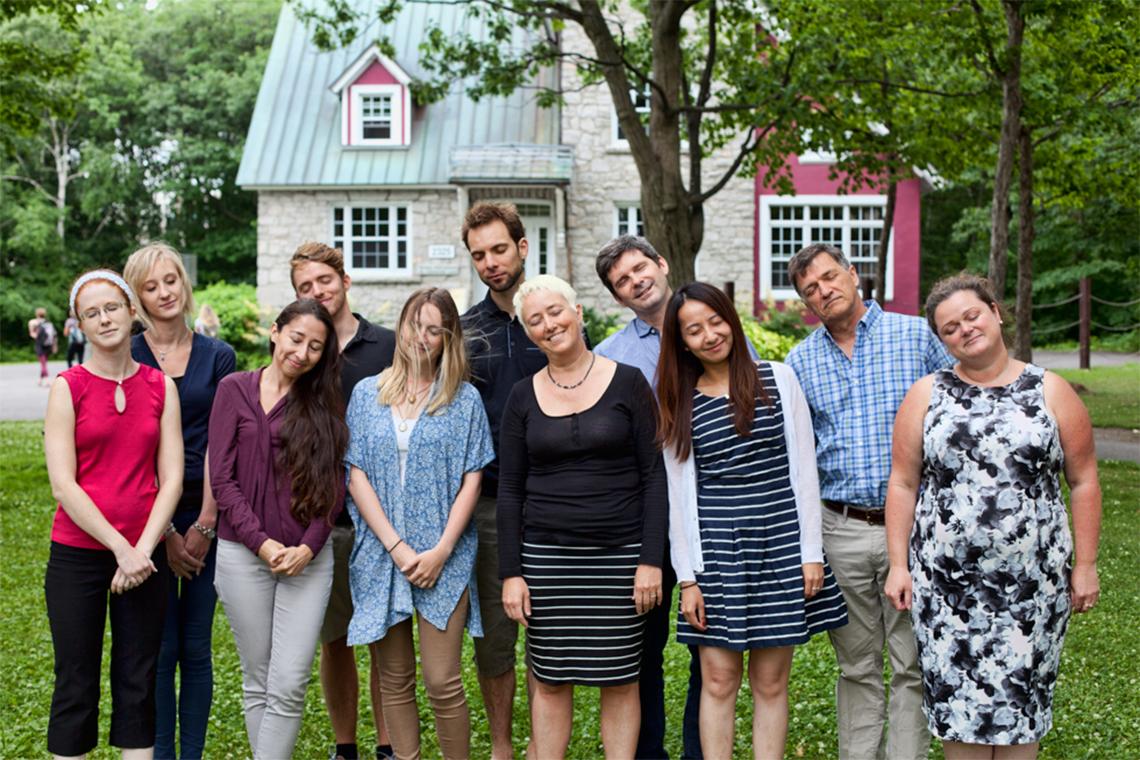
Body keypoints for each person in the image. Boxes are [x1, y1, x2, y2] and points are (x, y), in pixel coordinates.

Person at [884, 274, 1102, 760]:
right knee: (960, 715)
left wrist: (1085, 565)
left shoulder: (1051, 390)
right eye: (949, 328)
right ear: (941, 340)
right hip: (948, 592)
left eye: (972, 315)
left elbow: (1084, 479)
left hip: (1033, 589)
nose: (964, 329)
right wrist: (898, 564)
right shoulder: (926, 394)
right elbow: (902, 483)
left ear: (997, 313)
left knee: (1021, 713)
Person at [656, 282, 847, 759]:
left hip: (780, 544)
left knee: (771, 680)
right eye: (693, 330)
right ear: (682, 342)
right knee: (718, 679)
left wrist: (809, 553)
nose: (709, 335)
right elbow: (679, 496)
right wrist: (689, 578)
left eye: (715, 321)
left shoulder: (778, 379)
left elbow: (803, 471)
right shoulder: (679, 400)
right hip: (718, 551)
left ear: (731, 319)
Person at [594, 235, 762, 759]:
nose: (636, 280)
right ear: (617, 298)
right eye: (622, 281)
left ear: (662, 264)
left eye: (640, 268)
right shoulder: (610, 358)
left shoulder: (720, 333)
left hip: (716, 517)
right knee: (639, 651)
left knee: (710, 650)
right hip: (643, 521)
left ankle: (698, 751)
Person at [785, 243, 950, 760]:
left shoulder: (917, 337)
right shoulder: (800, 361)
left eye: (830, 277)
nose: (824, 291)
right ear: (805, 302)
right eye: (811, 288)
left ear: (854, 275)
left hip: (915, 525)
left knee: (911, 662)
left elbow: (960, 405)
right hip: (842, 529)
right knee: (855, 664)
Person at [498, 274, 667, 759]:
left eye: (555, 311)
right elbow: (509, 490)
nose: (549, 324)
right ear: (529, 333)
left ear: (578, 313)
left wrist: (650, 560)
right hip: (548, 562)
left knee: (620, 678)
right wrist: (513, 574)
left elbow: (654, 477)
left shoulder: (629, 382)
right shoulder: (522, 397)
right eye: (536, 320)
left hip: (620, 560)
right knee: (550, 680)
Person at [345, 287, 494, 759]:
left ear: (447, 338)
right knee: (394, 679)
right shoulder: (367, 392)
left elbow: (474, 478)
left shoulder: (464, 399)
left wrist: (442, 550)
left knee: (443, 680)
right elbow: (356, 474)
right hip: (383, 554)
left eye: (434, 330)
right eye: (415, 324)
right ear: (401, 324)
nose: (420, 337)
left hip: (442, 556)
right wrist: (396, 547)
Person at [43, 269, 183, 759]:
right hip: (79, 556)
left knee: (137, 682)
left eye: (111, 308)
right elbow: (64, 484)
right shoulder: (69, 386)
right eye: (91, 313)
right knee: (75, 682)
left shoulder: (161, 386)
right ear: (80, 325)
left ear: (130, 311)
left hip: (146, 560)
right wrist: (121, 549)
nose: (104, 319)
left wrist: (142, 551)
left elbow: (172, 478)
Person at [208, 299, 347, 759]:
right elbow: (222, 480)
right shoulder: (233, 389)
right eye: (296, 338)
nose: (302, 352)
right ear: (274, 332)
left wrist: (307, 548)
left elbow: (334, 486)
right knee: (258, 678)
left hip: (307, 560)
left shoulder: (324, 403)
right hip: (242, 556)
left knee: (288, 682)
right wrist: (262, 543)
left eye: (315, 346)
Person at [124, 243, 236, 760]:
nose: (164, 292)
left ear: (184, 284)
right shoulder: (126, 355)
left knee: (194, 647)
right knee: (159, 647)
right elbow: (129, 445)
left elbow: (223, 439)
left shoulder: (219, 356)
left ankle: (189, 755)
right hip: (144, 520)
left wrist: (206, 523)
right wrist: (164, 532)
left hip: (207, 515)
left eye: (171, 280)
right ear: (137, 298)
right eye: (151, 286)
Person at [290, 241, 397, 760]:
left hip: (381, 518)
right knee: (334, 639)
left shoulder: (388, 346)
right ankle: (345, 745)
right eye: (305, 288)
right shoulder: (301, 350)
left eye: (323, 282)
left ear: (344, 281)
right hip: (323, 516)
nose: (317, 293)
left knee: (381, 636)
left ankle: (386, 743)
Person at [459, 201, 548, 760]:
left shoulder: (554, 318)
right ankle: (501, 747)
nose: (491, 263)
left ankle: (545, 741)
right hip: (490, 506)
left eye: (498, 249)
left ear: (521, 246)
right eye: (479, 255)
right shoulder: (466, 334)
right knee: (495, 637)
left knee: (549, 636)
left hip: (556, 502)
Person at [31, 306, 58, 385]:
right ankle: (40, 380)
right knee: (44, 362)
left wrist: (32, 334)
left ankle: (47, 380)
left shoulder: (37, 324)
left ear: (37, 314)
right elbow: (54, 335)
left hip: (40, 346)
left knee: (43, 364)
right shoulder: (49, 323)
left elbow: (36, 335)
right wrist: (54, 346)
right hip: (48, 346)